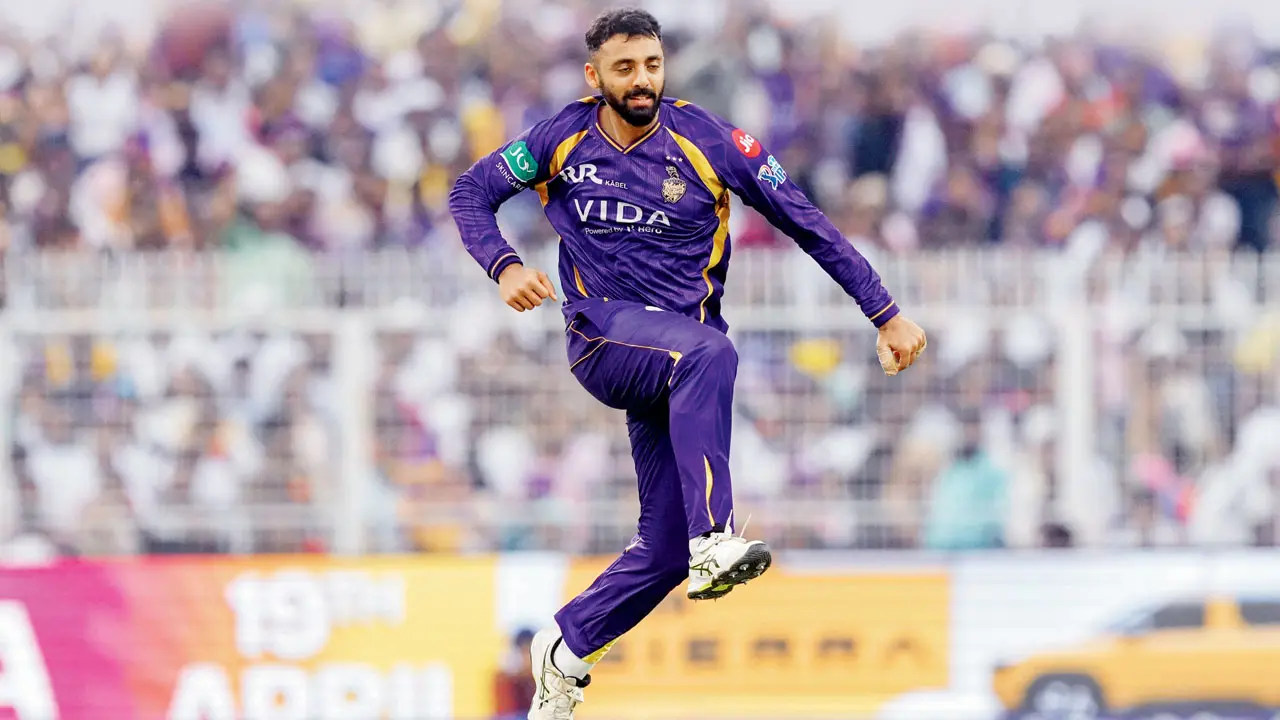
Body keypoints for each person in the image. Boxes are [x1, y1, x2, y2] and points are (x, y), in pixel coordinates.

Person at [448, 8, 927, 719]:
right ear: (594, 76)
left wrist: (884, 311)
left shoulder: (710, 140)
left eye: (651, 65)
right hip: (605, 340)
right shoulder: (560, 138)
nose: (641, 81)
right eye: (624, 68)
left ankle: (569, 644)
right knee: (711, 351)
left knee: (663, 548)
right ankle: (716, 540)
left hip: (675, 369)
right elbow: (469, 193)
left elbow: (808, 221)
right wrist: (503, 263)